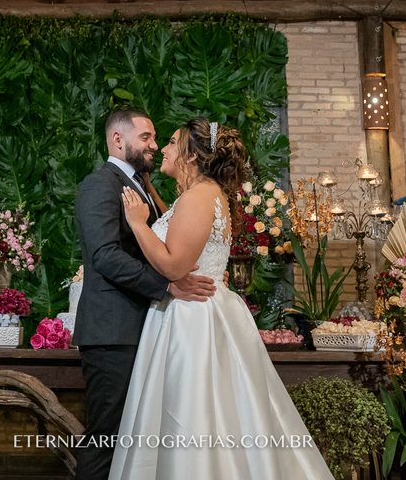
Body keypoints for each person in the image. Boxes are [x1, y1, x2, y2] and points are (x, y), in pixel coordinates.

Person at [109, 117, 334, 479]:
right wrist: (149, 191)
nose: (163, 148)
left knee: (191, 411)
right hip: (205, 307)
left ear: (191, 156)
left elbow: (173, 265)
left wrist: (137, 223)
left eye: (172, 142)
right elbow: (181, 231)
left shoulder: (198, 197)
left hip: (191, 320)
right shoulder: (204, 193)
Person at [73, 108, 219, 480]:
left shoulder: (144, 187)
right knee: (106, 438)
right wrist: (168, 285)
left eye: (156, 138)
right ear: (117, 139)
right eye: (146, 137)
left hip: (147, 329)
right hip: (113, 332)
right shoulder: (99, 184)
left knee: (135, 438)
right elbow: (105, 255)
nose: (154, 145)